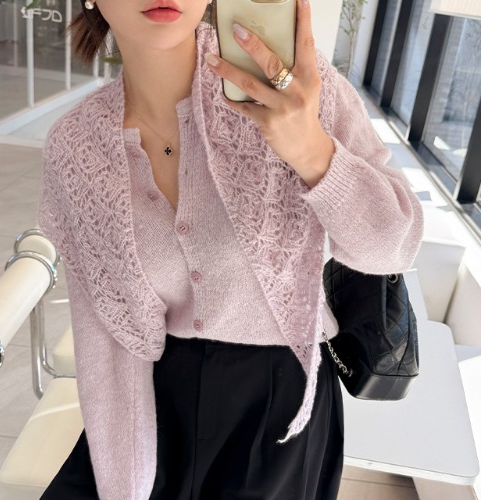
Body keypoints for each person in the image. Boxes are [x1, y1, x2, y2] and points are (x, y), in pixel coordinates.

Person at [38, 0, 424, 498]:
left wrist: (312, 150)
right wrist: (123, 484)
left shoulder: (296, 86)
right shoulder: (76, 146)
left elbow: (393, 247)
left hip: (279, 408)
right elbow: (106, 337)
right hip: (154, 401)